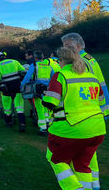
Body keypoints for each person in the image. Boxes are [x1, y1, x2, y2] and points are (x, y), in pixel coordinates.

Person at [43, 47, 107, 190]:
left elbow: (50, 102)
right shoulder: (91, 76)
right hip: (97, 129)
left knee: (55, 158)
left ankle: (74, 187)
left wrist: (44, 95)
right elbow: (101, 101)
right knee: (82, 165)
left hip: (71, 128)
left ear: (62, 61)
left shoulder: (61, 75)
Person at [61, 32, 109, 190]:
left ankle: (91, 184)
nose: (65, 49)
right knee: (89, 151)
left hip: (86, 112)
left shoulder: (80, 61)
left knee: (87, 153)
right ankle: (93, 183)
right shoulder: (89, 59)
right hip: (95, 110)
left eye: (68, 46)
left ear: (79, 46)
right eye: (64, 46)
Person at [20, 51, 57, 135]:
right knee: (46, 108)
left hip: (37, 89)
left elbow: (27, 77)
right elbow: (54, 77)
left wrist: (22, 85)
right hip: (47, 90)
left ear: (35, 58)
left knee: (39, 108)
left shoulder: (34, 65)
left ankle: (42, 128)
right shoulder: (49, 66)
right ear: (43, 57)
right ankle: (48, 124)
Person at [0, 51, 26, 132]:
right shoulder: (15, 61)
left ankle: (8, 122)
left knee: (7, 107)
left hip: (6, 89)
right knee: (19, 107)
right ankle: (22, 124)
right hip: (17, 86)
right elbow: (23, 71)